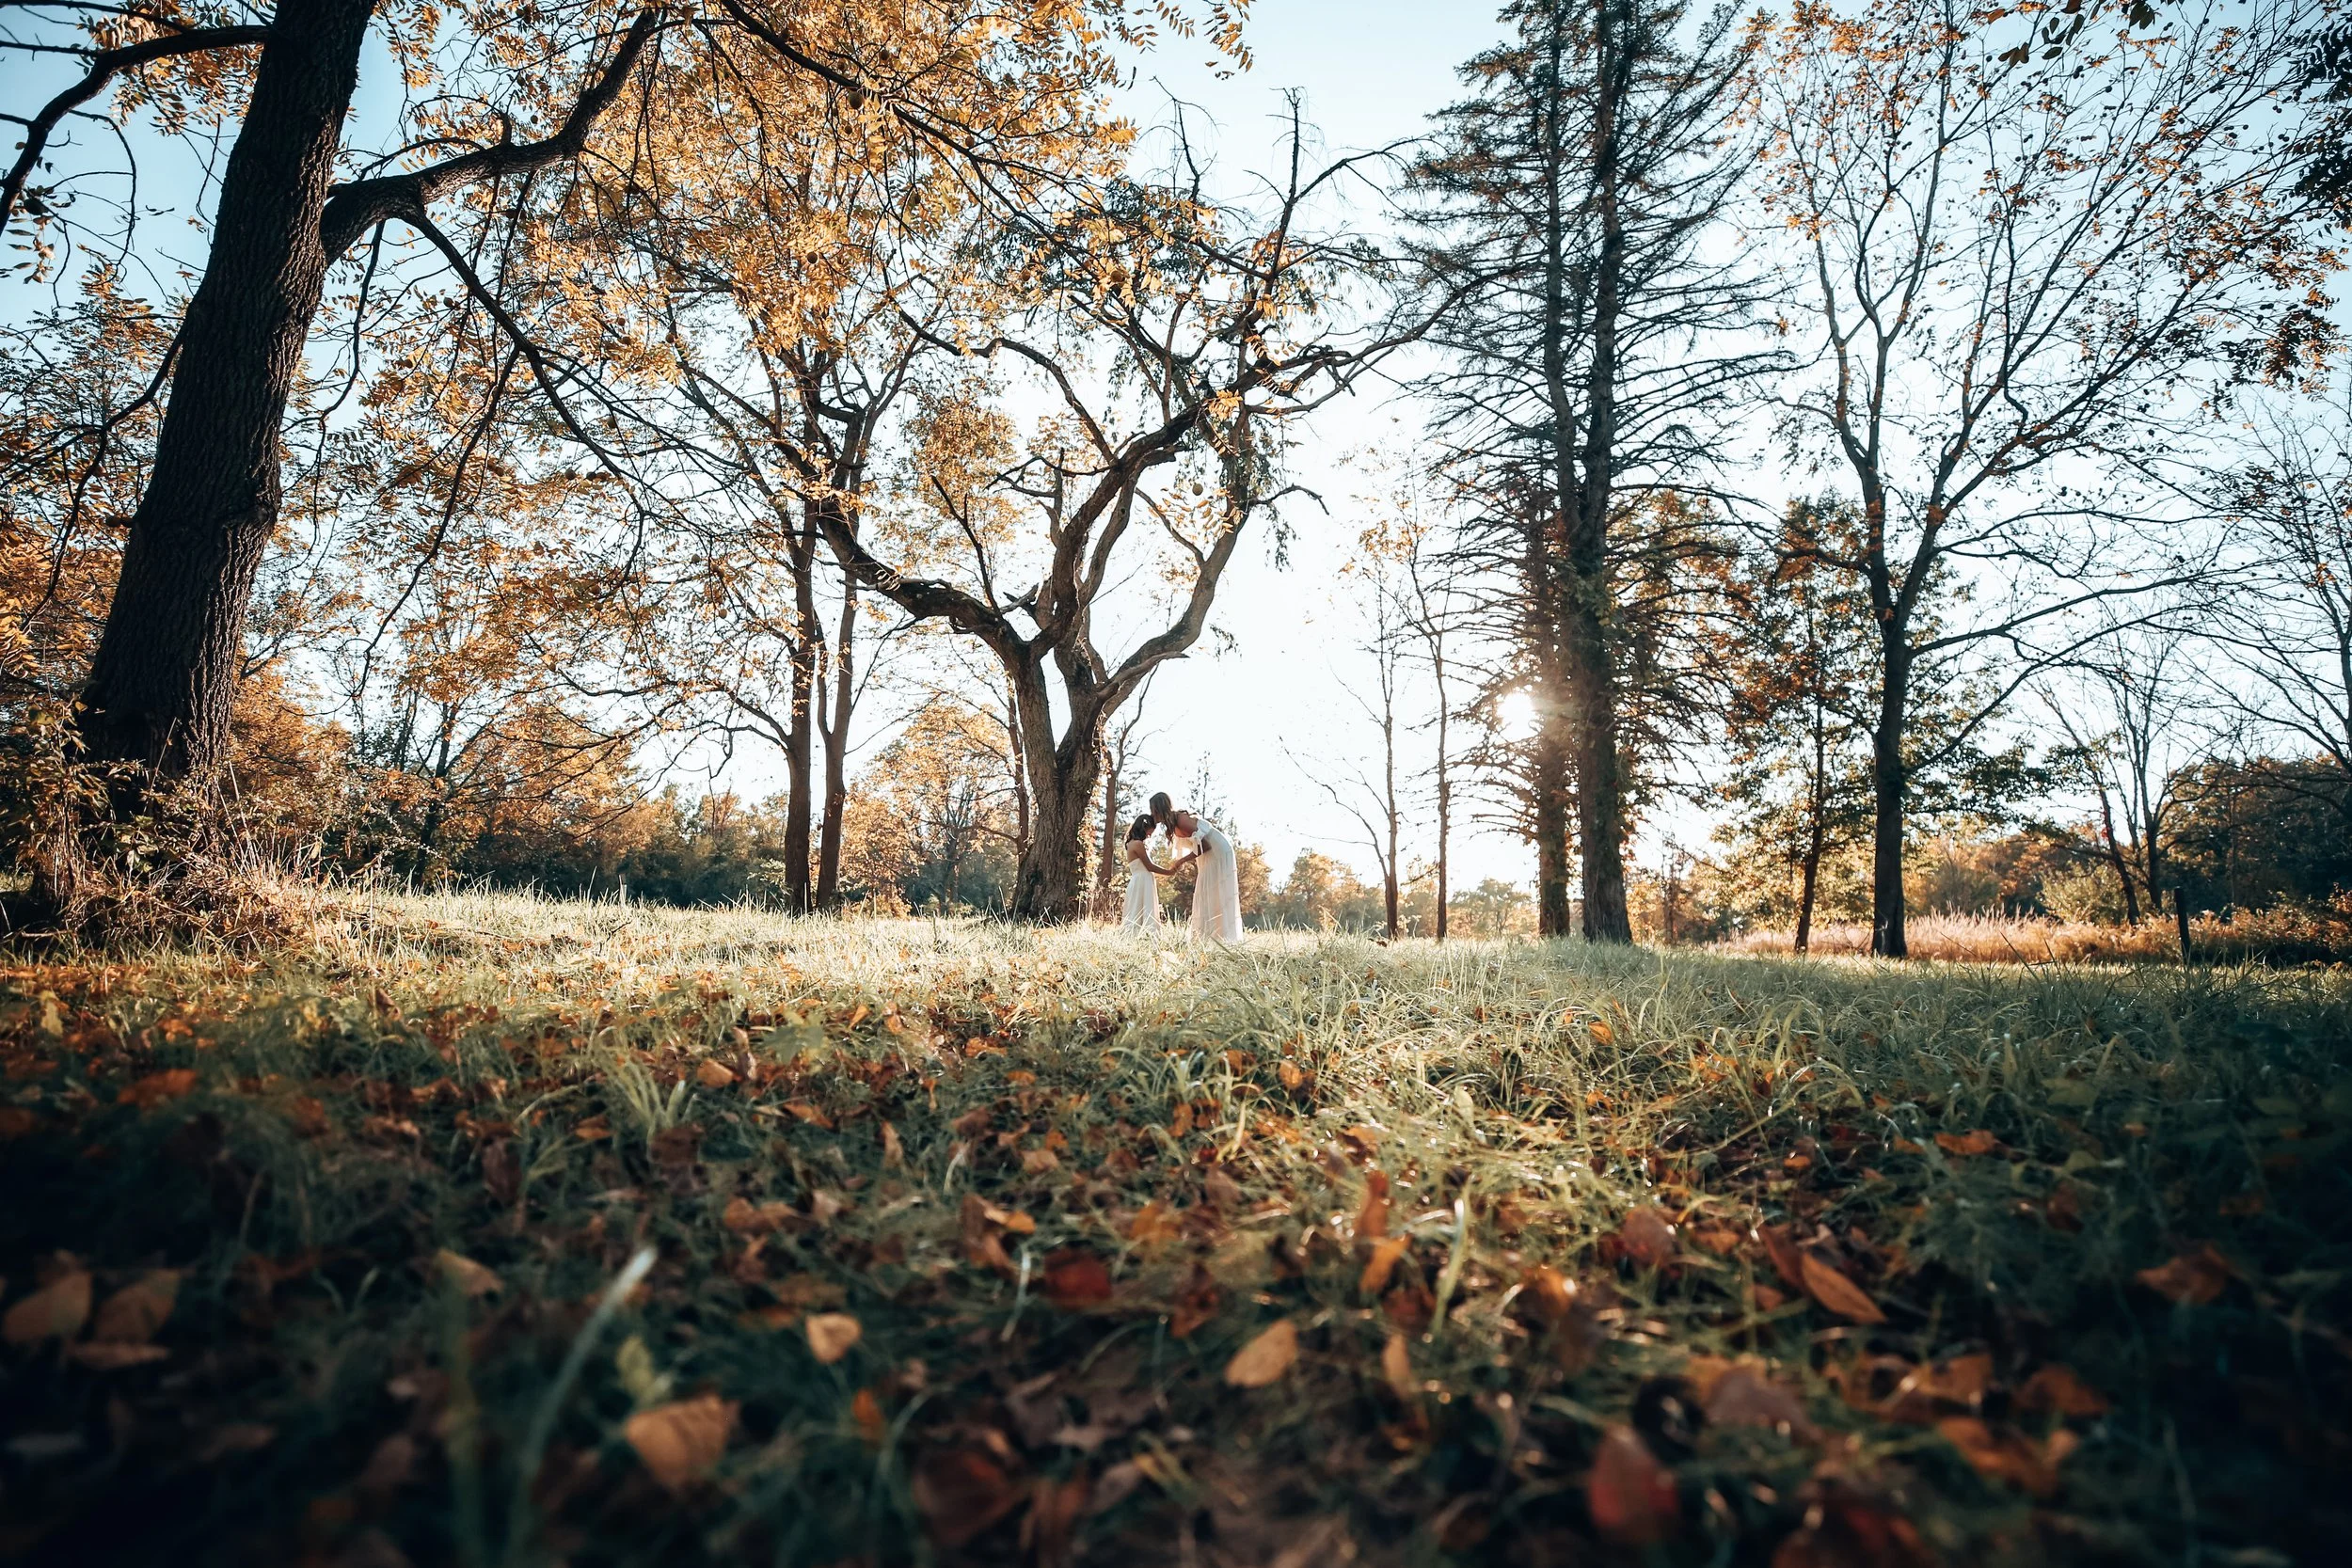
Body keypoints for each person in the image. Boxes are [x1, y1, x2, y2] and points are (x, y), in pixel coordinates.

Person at [1155, 800, 1243, 942]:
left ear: (1159, 809)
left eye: (1154, 810)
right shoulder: (1175, 823)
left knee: (1211, 892)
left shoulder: (1181, 821)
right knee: (1207, 892)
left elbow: (1205, 846)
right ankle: (1211, 938)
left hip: (1217, 851)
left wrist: (1181, 861)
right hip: (1209, 854)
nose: (1153, 814)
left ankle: (1220, 938)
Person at [1120, 814, 1175, 931]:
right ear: (1143, 829)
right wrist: (1169, 872)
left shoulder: (1132, 843)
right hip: (1141, 880)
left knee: (1140, 908)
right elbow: (1149, 866)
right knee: (1140, 908)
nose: (1149, 835)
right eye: (1149, 832)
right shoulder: (1137, 844)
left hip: (1141, 880)